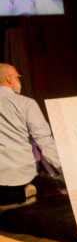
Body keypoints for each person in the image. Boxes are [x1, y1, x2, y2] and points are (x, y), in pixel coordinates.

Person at [0, 63, 62, 205]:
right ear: (10, 79)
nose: (19, 81)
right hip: (20, 179)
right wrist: (68, 174)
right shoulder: (26, 104)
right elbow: (45, 143)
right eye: (18, 77)